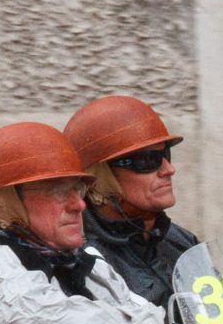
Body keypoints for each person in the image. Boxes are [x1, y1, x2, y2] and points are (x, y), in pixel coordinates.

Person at [0, 122, 166, 324]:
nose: (79, 205)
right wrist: (155, 320)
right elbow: (31, 317)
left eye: (78, 190)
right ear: (5, 203)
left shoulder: (93, 268)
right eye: (58, 191)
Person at [64, 94, 198, 309]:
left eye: (165, 154)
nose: (168, 169)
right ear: (99, 177)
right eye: (148, 160)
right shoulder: (86, 263)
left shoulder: (180, 240)